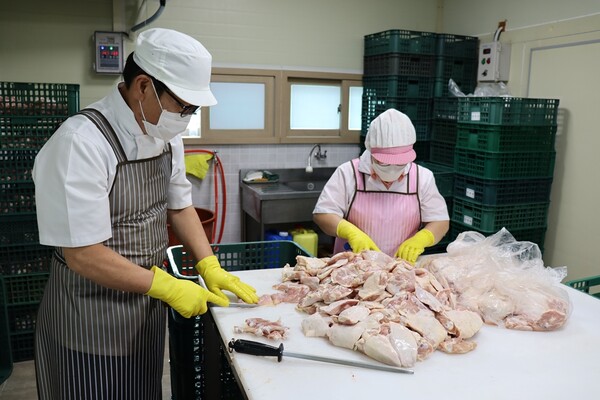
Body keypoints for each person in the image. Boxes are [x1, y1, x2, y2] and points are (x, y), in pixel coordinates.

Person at [32, 28, 258, 399]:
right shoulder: (81, 144)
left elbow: (180, 206)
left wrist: (208, 265)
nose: (186, 118)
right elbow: (82, 253)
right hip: (88, 320)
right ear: (142, 87)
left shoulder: (166, 137)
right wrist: (167, 285)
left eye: (193, 110)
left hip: (144, 310)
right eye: (182, 106)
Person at [313, 108, 449, 262]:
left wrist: (422, 238)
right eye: (383, 163)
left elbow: (440, 221)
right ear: (371, 150)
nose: (392, 169)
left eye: (400, 164)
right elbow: (322, 214)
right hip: (353, 267)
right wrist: (351, 232)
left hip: (401, 267)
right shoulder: (348, 172)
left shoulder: (422, 177)